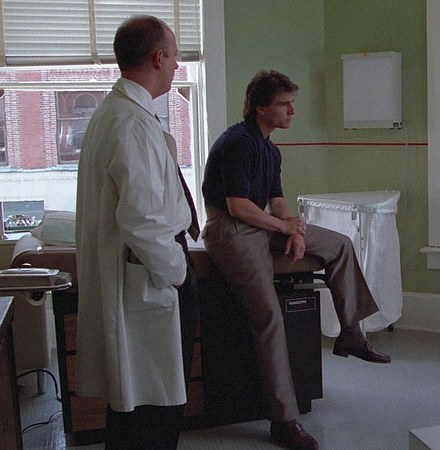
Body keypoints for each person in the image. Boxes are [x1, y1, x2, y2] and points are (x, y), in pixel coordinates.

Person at [201, 70, 390, 450]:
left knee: (340, 245)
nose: (292, 111)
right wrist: (285, 228)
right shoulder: (237, 142)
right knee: (269, 317)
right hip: (231, 230)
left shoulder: (271, 150)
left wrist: (296, 230)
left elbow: (277, 201)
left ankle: (351, 334)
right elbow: (238, 207)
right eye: (284, 104)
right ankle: (284, 420)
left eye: (292, 103)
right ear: (260, 108)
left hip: (261, 223)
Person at [75, 15, 200, 449]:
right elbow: (142, 220)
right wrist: (177, 272)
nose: (178, 66)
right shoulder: (130, 122)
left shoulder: (118, 113)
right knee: (154, 413)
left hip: (143, 274)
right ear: (158, 57)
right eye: (175, 57)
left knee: (137, 408)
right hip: (153, 274)